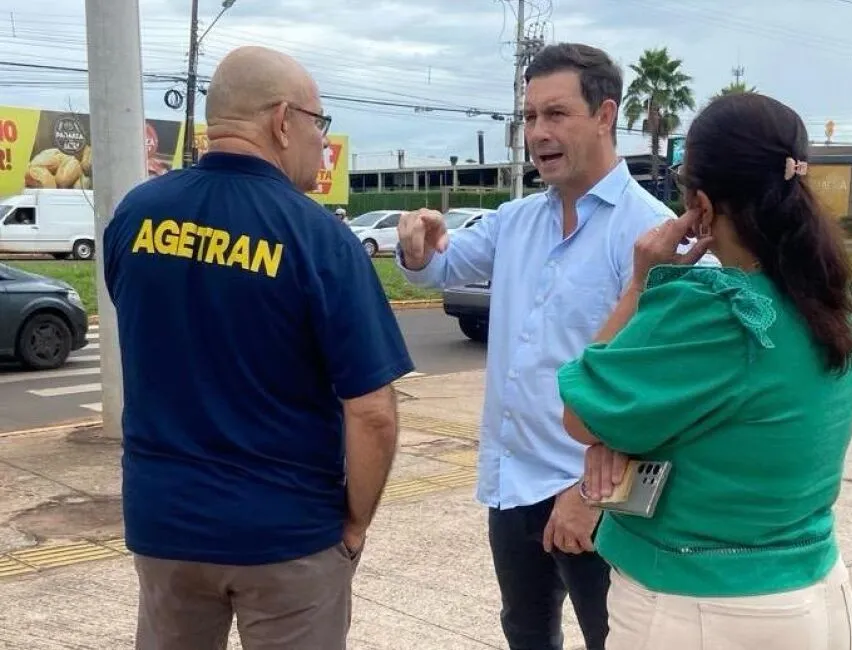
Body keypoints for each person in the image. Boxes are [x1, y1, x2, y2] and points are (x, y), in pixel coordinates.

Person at [104, 46, 414, 650]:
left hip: (164, 527)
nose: (322, 144)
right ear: (281, 120)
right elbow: (372, 412)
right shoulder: (319, 237)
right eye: (318, 124)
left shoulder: (136, 216)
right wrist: (354, 525)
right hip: (287, 537)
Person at [558, 92, 852, 650]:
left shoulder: (721, 312)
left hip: (703, 608)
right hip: (816, 593)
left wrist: (640, 285)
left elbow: (582, 412)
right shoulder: (827, 298)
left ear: (701, 208)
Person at [396, 43, 688, 650]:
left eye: (555, 115)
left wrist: (591, 497)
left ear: (605, 115)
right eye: (529, 117)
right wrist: (418, 248)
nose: (537, 133)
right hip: (512, 484)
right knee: (525, 633)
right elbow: (438, 268)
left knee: (615, 638)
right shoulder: (517, 219)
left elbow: (657, 391)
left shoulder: (648, 232)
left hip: (593, 498)